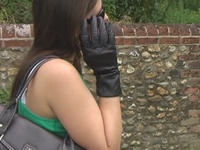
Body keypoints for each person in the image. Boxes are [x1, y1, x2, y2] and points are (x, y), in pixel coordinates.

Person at [10, 0, 122, 149]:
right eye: (100, 15)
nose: (106, 18)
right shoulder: (58, 73)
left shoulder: (38, 63)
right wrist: (108, 73)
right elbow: (109, 147)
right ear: (73, 22)